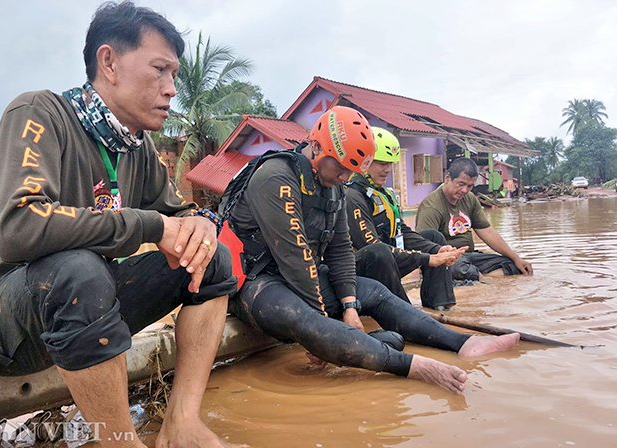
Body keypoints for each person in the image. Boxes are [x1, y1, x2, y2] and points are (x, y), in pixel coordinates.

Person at [0, 3, 237, 447]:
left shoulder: (138, 148)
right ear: (108, 62)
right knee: (78, 270)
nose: (172, 89)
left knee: (211, 260)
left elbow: (177, 215)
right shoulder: (39, 113)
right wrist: (151, 226)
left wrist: (199, 226)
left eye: (175, 74)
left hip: (85, 305)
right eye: (160, 69)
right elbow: (18, 225)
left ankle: (181, 425)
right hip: (1, 326)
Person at [223, 106, 520, 395]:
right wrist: (321, 329)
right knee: (305, 318)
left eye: (351, 171)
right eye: (340, 167)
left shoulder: (334, 186)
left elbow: (339, 250)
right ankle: (416, 367)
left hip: (301, 277)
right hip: (255, 282)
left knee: (375, 292)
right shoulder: (276, 177)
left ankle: (463, 343)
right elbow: (295, 258)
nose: (345, 177)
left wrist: (350, 305)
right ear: (315, 147)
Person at [345, 127, 466, 310]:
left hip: (389, 262)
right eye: (381, 163)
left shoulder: (384, 194)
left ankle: (440, 306)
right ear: (364, 161)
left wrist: (437, 251)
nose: (387, 170)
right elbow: (373, 248)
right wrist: (427, 258)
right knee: (380, 251)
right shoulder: (352, 196)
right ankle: (405, 311)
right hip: (362, 272)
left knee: (434, 237)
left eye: (390, 164)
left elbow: (403, 233)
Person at [416, 157, 533, 281]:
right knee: (462, 270)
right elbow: (423, 246)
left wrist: (516, 258)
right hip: (446, 260)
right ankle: (479, 278)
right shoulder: (431, 206)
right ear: (447, 179)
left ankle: (479, 278)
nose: (465, 190)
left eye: (470, 186)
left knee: (513, 267)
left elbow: (487, 232)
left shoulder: (470, 199)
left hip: (469, 257)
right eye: (461, 184)